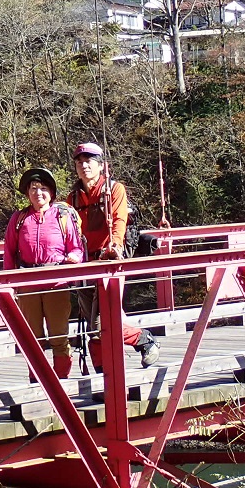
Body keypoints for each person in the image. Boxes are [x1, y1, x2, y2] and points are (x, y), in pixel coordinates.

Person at [67, 142, 161, 369]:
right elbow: (70, 230)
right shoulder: (73, 198)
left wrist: (116, 246)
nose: (84, 166)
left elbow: (119, 220)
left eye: (88, 161)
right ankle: (102, 370)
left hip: (109, 260)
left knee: (100, 323)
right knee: (92, 322)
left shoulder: (114, 189)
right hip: (86, 261)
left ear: (101, 166)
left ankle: (139, 342)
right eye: (79, 162)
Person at [3, 168, 84, 380]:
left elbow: (76, 248)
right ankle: (36, 382)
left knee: (59, 335)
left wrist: (74, 259)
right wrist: (10, 285)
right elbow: (9, 252)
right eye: (33, 189)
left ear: (52, 193)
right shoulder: (19, 219)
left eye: (43, 188)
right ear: (27, 193)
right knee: (32, 338)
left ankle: (61, 381)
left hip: (56, 282)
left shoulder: (62, 217)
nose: (38, 193)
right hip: (28, 282)